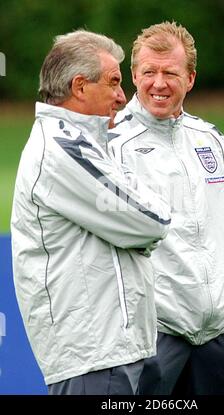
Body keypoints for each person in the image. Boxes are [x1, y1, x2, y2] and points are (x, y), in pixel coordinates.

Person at [10, 29, 171, 395]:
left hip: (118, 351)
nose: (122, 97)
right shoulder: (61, 148)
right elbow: (153, 221)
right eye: (114, 82)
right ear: (80, 87)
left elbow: (138, 220)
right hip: (94, 356)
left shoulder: (89, 141)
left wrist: (133, 231)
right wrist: (139, 233)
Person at [109, 21, 224, 395]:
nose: (159, 83)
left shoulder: (212, 140)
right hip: (156, 340)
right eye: (149, 72)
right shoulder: (111, 144)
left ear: (190, 78)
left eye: (170, 73)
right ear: (133, 75)